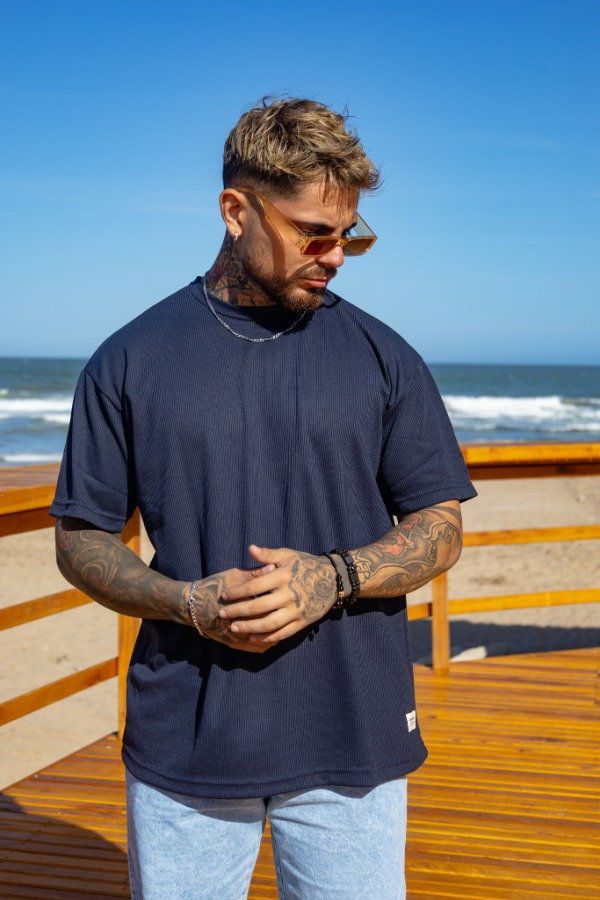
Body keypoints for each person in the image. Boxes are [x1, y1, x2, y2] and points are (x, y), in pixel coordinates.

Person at [50, 96, 478, 899]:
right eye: (314, 233)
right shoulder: (128, 361)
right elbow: (82, 537)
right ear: (235, 210)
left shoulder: (386, 358)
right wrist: (185, 602)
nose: (336, 255)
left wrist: (333, 577)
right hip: (188, 741)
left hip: (353, 737)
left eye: (350, 234)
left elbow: (440, 525)